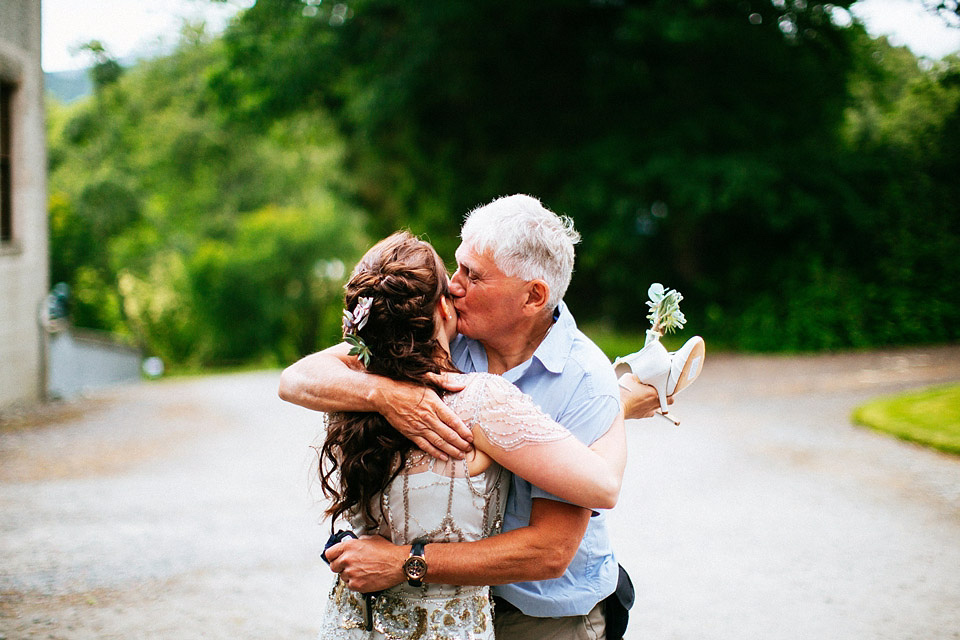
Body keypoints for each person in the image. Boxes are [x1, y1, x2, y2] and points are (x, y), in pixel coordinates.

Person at [280, 194, 665, 640]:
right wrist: (386, 394)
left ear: (533, 295)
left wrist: (405, 562)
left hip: (541, 612)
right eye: (457, 266)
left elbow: (551, 550)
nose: (453, 286)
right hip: (440, 608)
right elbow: (297, 378)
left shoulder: (584, 380)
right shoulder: (440, 332)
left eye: (473, 275)